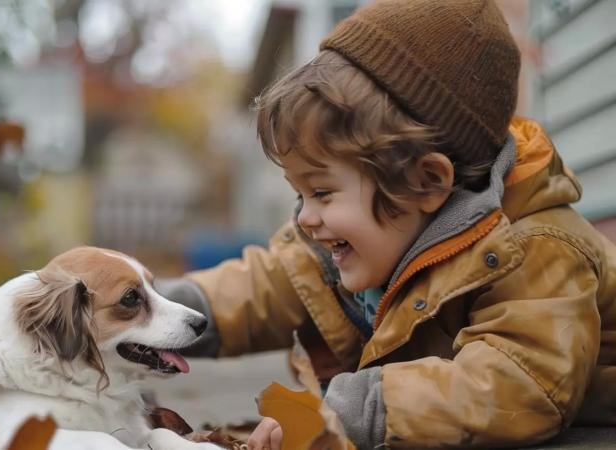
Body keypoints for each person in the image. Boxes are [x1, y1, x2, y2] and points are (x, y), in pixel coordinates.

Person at [156, 0, 616, 448]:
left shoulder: (535, 247)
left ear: (428, 181)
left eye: (321, 192)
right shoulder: (368, 236)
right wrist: (164, 310)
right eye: (300, 194)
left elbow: (521, 384)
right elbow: (268, 286)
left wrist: (357, 409)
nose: (304, 217)